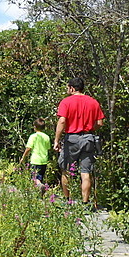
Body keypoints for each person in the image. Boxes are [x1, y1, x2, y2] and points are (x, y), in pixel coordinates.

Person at [53, 77, 105, 205]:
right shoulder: (93, 102)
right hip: (88, 139)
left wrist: (56, 140)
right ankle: (85, 203)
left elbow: (62, 121)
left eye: (67, 87)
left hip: (71, 139)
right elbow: (100, 122)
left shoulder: (66, 102)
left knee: (65, 170)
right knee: (85, 172)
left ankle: (67, 200)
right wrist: (89, 129)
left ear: (72, 88)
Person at [20, 118, 51, 189]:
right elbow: (48, 148)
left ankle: (40, 186)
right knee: (40, 177)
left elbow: (28, 148)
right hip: (44, 161)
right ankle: (40, 192)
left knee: (34, 178)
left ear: (35, 127)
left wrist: (23, 157)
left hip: (35, 160)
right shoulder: (46, 137)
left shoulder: (33, 136)